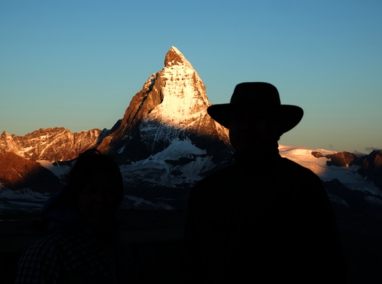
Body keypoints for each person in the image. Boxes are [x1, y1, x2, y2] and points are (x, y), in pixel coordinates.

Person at [184, 82, 346, 283]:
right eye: (239, 118)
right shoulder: (206, 192)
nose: (246, 126)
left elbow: (327, 264)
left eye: (258, 117)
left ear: (277, 128)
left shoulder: (302, 186)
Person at [15, 149, 136, 283]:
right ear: (75, 195)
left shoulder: (119, 248)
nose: (100, 199)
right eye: (91, 191)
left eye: (109, 191)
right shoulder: (46, 253)